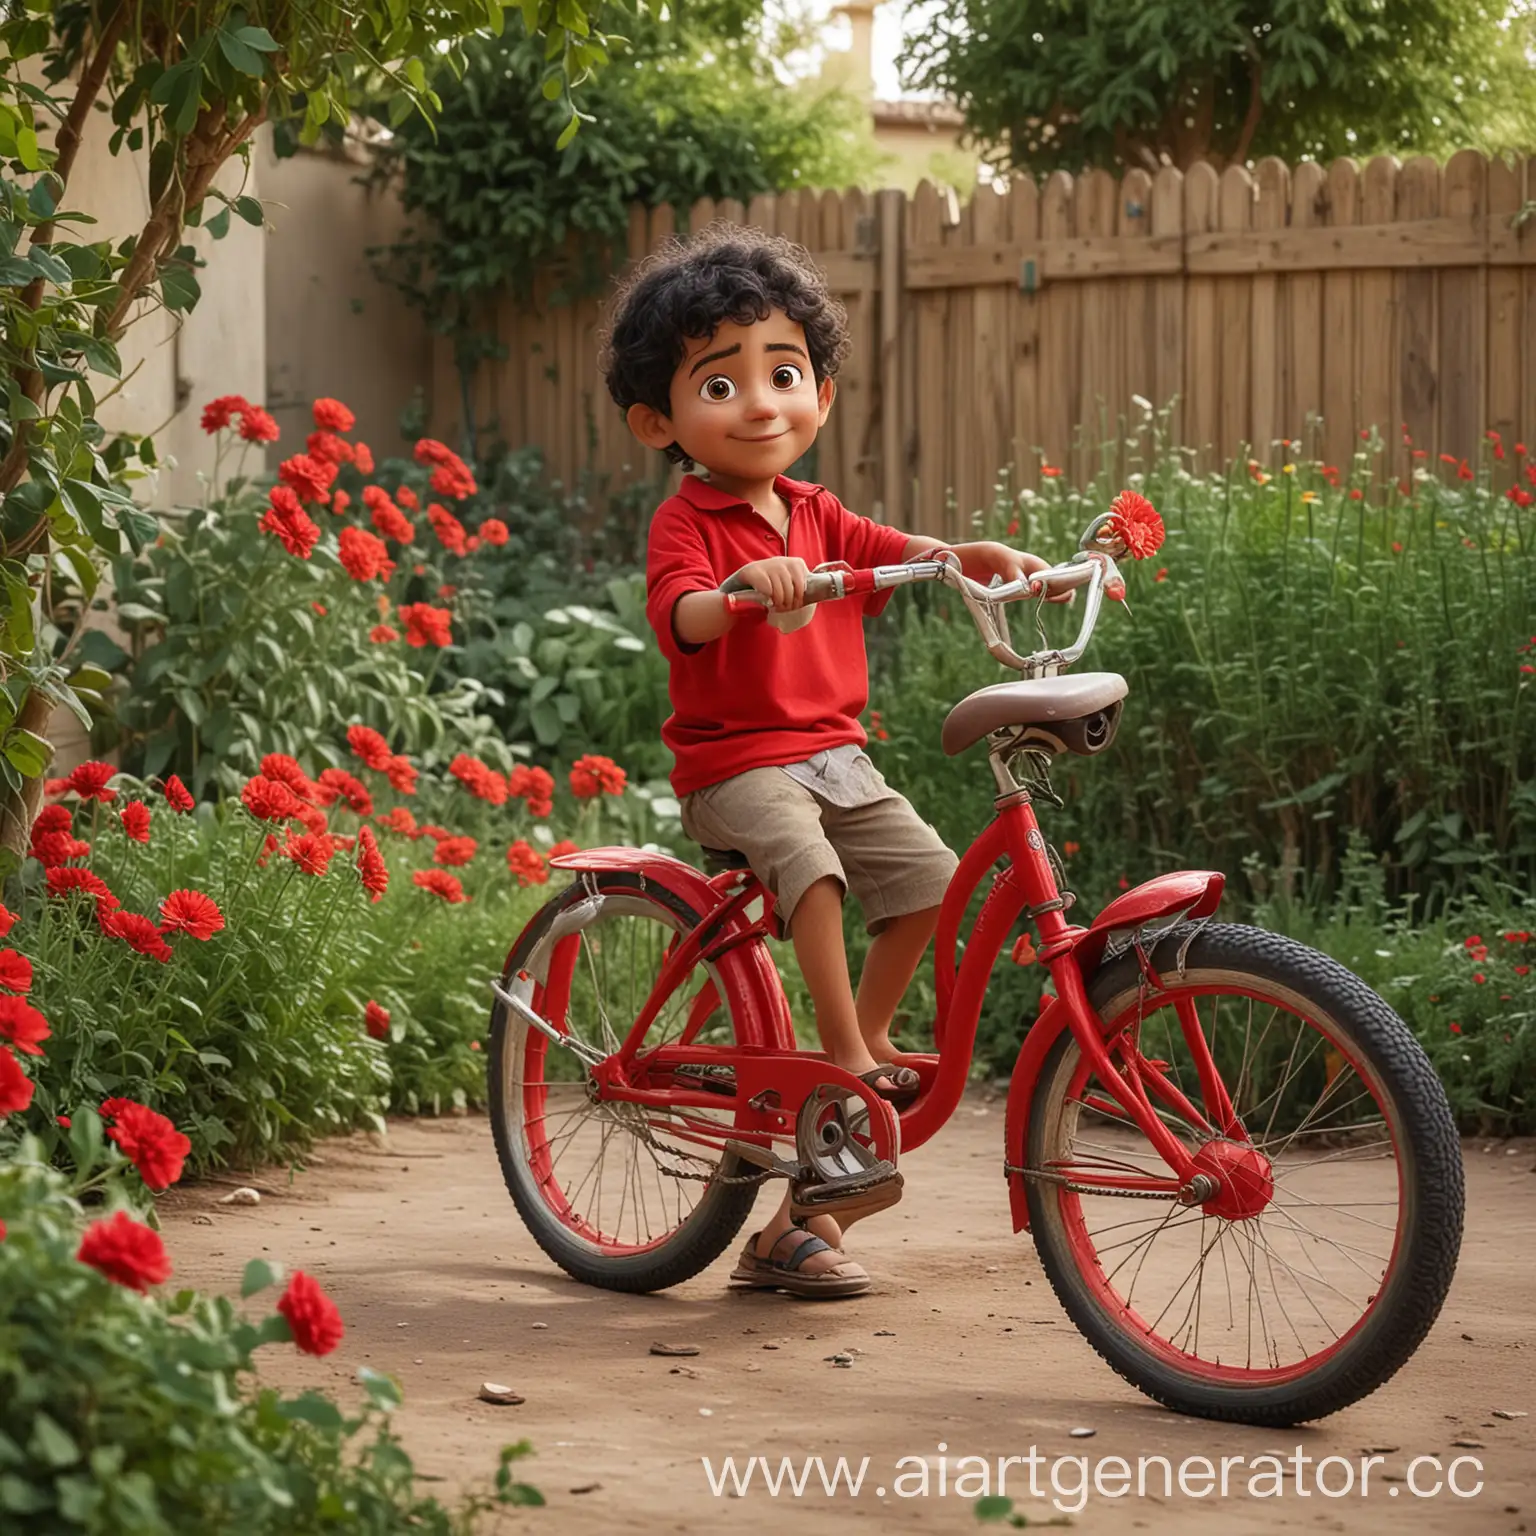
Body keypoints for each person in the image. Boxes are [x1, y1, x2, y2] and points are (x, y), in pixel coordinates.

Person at [599, 224, 1055, 1298]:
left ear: (823, 394)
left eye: (785, 372)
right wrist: (745, 593)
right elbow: (683, 618)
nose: (762, 403)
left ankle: (866, 1033)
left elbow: (897, 553)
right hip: (736, 768)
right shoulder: (690, 522)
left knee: (931, 882)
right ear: (658, 422)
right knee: (812, 864)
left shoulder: (815, 512)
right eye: (723, 384)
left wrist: (968, 557)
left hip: (833, 753)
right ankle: (844, 1052)